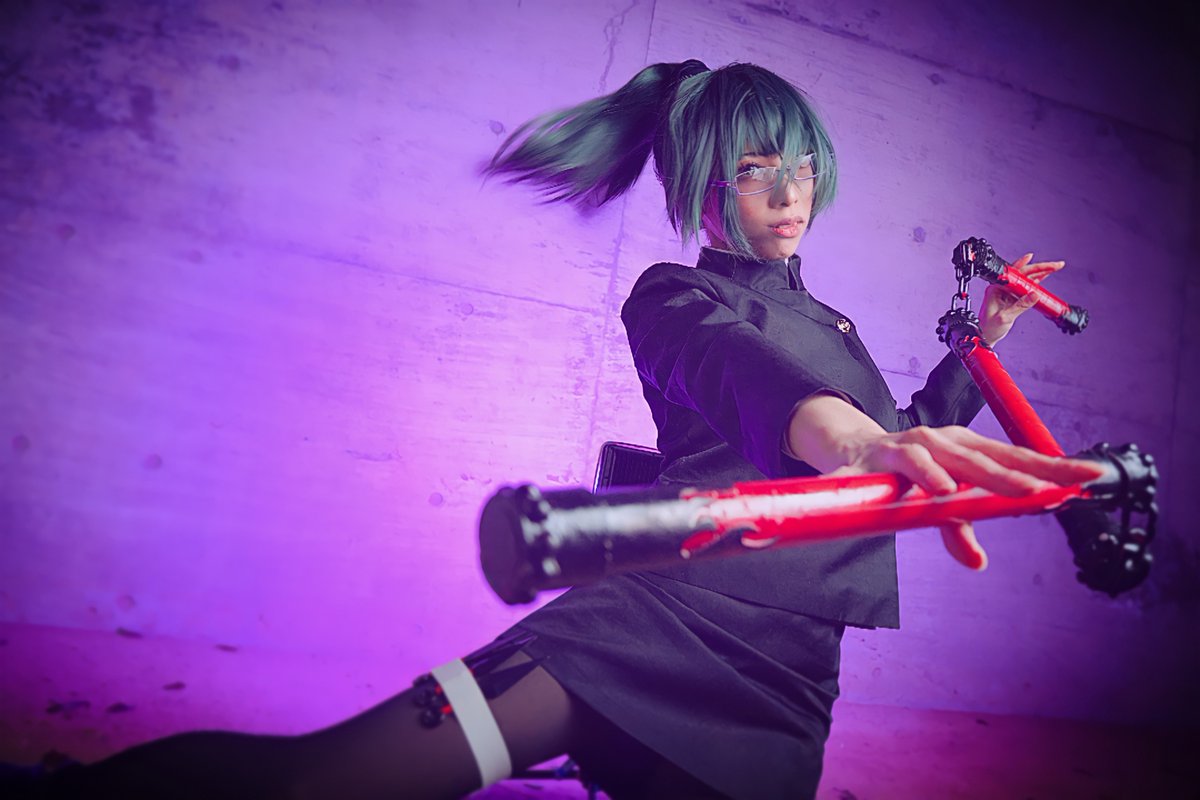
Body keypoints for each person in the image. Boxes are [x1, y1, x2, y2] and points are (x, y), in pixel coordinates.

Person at [28, 60, 1100, 800]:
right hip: (648, 625)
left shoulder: (840, 329)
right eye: (754, 169)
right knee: (319, 786)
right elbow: (756, 385)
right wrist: (855, 443)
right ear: (704, 181)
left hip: (789, 677)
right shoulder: (676, 296)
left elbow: (905, 438)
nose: (789, 192)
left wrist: (975, 347)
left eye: (802, 166)